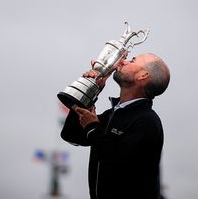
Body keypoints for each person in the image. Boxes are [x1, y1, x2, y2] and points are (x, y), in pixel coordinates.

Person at [60, 53, 170, 199]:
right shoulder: (112, 114)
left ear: (143, 75)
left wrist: (92, 127)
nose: (123, 61)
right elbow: (71, 134)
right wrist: (90, 91)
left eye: (132, 60)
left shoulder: (148, 121)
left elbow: (119, 162)